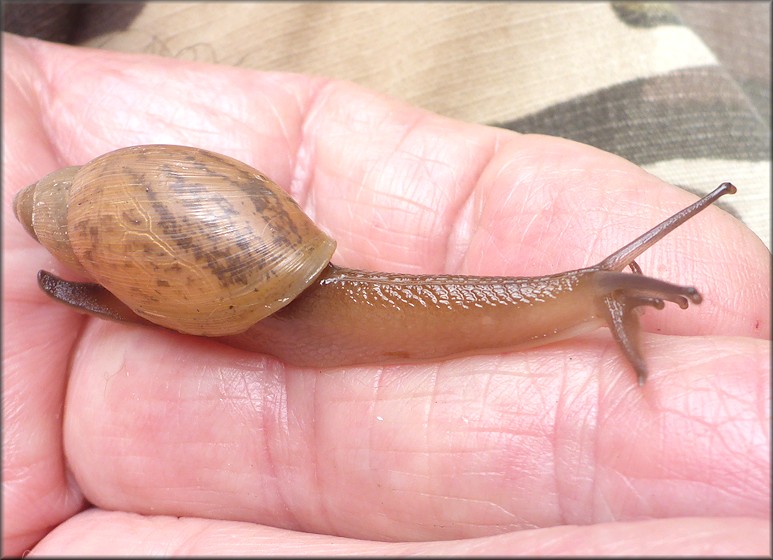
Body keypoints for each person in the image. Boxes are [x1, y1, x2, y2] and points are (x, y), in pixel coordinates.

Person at [4, 34, 770, 556]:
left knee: (334, 296)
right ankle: (583, 296)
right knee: (330, 299)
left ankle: (584, 294)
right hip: (238, 280)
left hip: (264, 277)